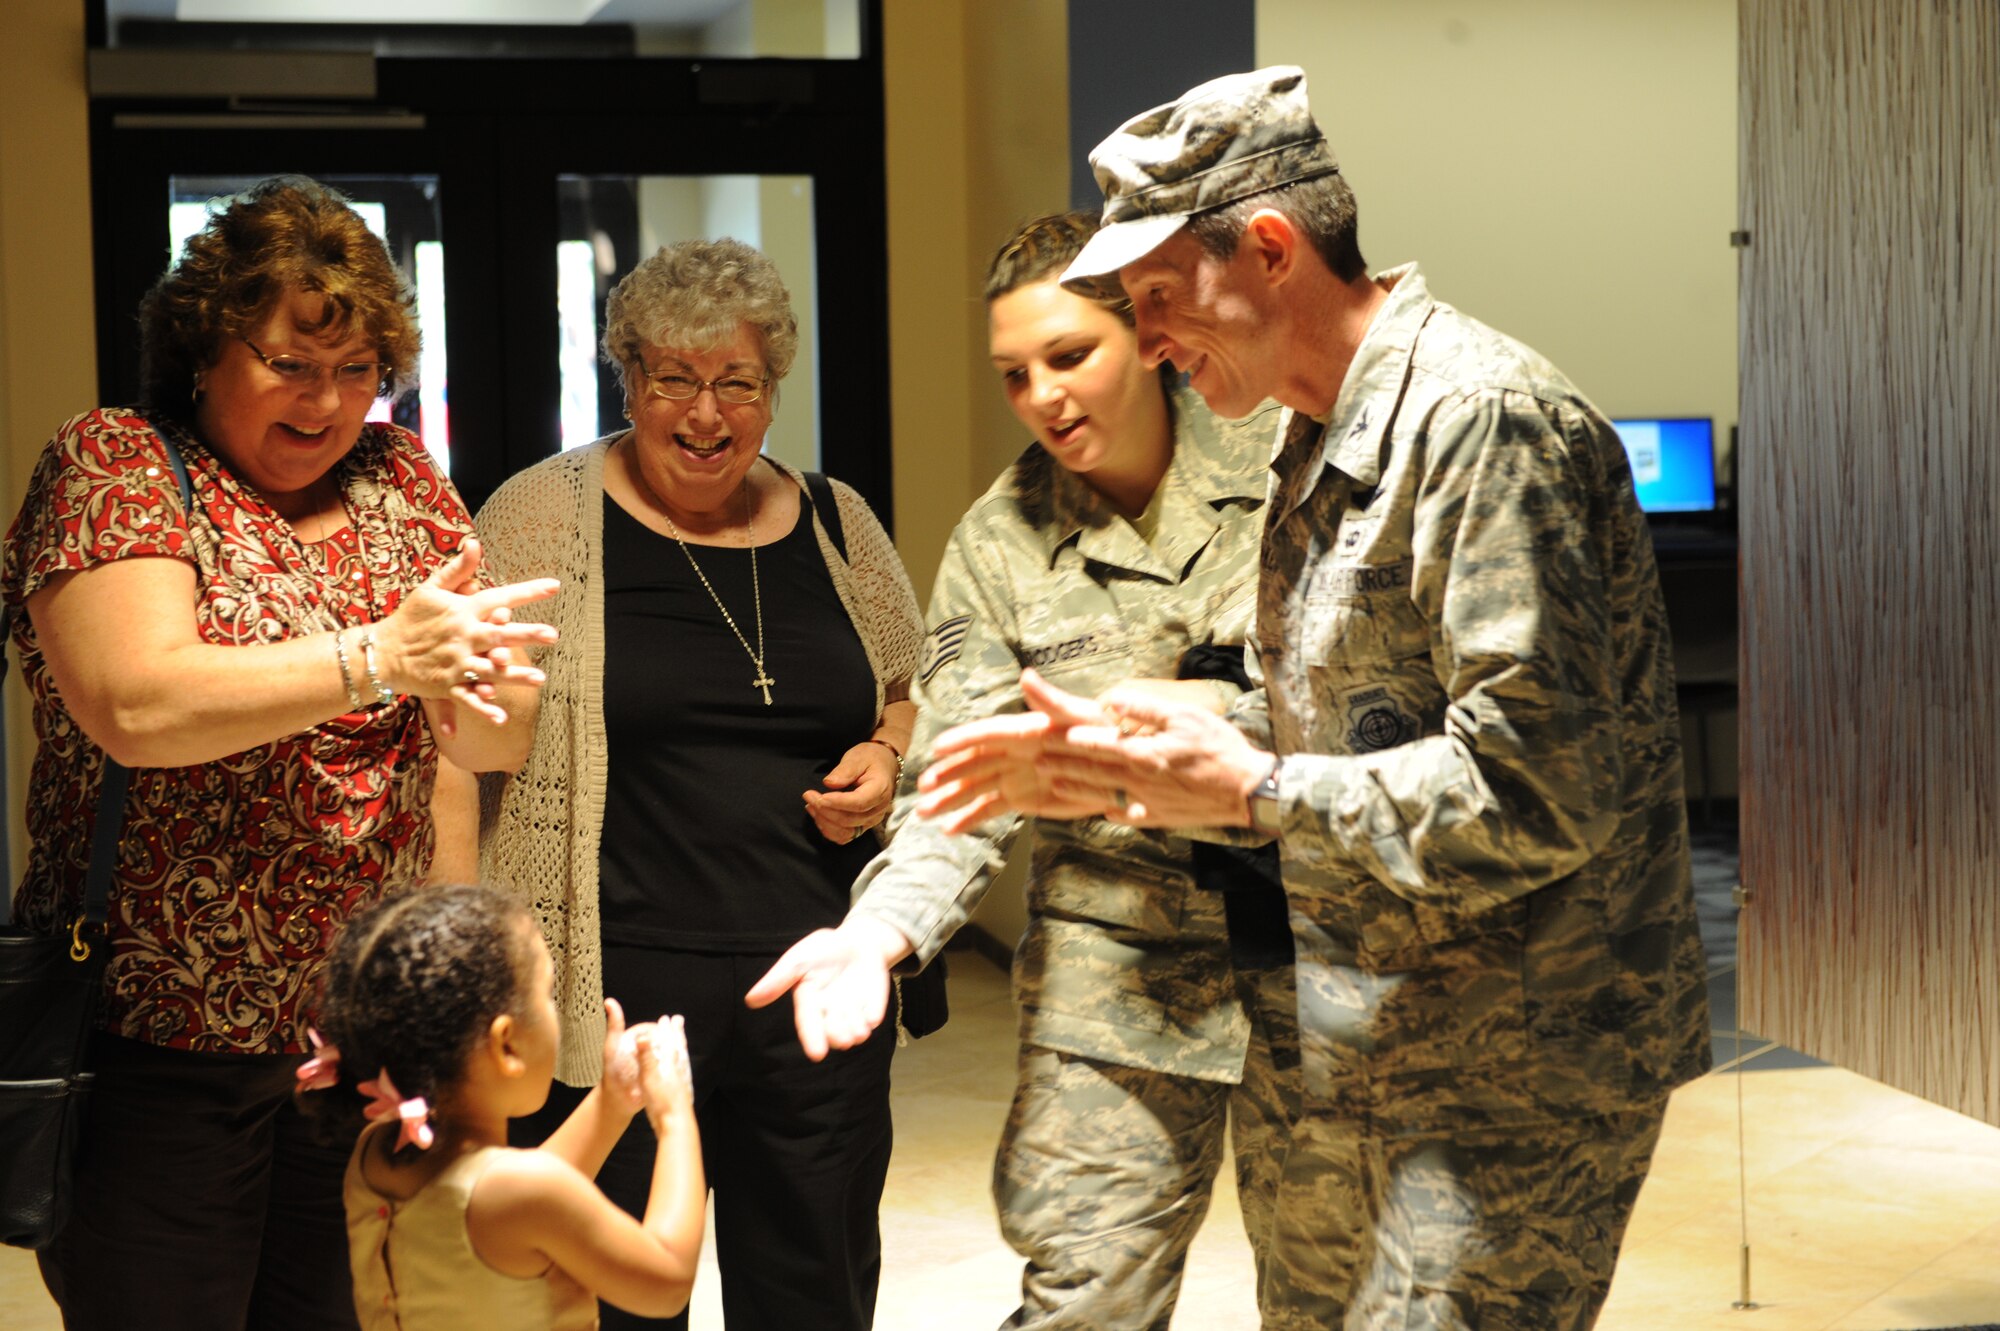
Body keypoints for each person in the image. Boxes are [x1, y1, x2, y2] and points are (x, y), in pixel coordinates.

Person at [916, 67, 1713, 1331]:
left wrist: (1255, 786)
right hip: (1380, 1030)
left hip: (1521, 1055)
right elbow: (1364, 721)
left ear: (1271, 250)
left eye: (1159, 301)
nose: (1156, 342)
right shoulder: (1314, 432)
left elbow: (1536, 788)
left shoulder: (1478, 421)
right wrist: (1169, 736)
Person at [0, 175, 557, 1331]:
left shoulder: (400, 476)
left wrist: (490, 696)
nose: (327, 401)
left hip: (355, 1042)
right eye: (290, 364)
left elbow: (470, 746)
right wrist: (383, 656)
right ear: (205, 349)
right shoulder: (119, 465)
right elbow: (135, 703)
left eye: (357, 370)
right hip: (156, 1039)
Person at [749, 210, 1304, 1329]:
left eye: (1068, 357)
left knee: (1345, 1292)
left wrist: (1198, 721)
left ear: (1148, 338)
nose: (1043, 397)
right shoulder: (998, 544)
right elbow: (958, 782)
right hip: (1120, 967)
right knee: (1082, 1297)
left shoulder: (1295, 461)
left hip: (1327, 956)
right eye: (1014, 374)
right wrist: (878, 933)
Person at [474, 237, 925, 1330]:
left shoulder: (838, 522)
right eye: (672, 378)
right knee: (615, 1299)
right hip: (613, 996)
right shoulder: (538, 518)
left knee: (814, 1293)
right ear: (625, 378)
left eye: (737, 382)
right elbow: (465, 740)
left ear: (773, 390)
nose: (704, 412)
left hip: (817, 991)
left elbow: (915, 684)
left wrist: (893, 748)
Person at [305, 883, 704, 1329]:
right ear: (507, 1044)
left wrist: (610, 1102)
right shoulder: (521, 1192)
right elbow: (666, 1281)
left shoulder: (376, 1152)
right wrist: (674, 1114)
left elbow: (518, 1199)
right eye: (548, 994)